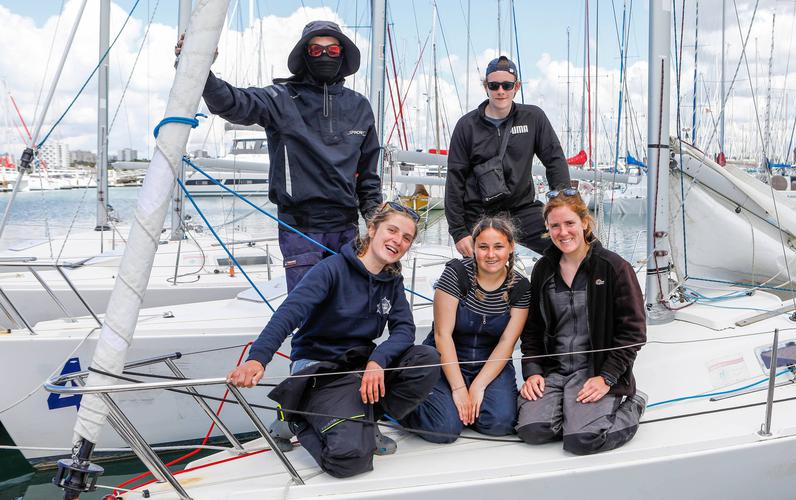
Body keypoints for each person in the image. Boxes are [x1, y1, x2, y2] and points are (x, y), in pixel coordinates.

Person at [227, 202, 440, 478]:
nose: (398, 240)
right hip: (320, 369)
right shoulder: (331, 270)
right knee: (348, 460)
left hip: (359, 366)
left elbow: (404, 330)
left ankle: (368, 421)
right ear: (372, 229)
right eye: (392, 230)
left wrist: (378, 360)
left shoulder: (391, 280)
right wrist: (257, 358)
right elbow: (289, 313)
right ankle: (296, 419)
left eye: (406, 237)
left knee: (426, 360)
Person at [176, 21, 382, 292]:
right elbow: (231, 102)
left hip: (346, 230)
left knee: (346, 306)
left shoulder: (360, 106)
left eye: (332, 50)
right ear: (305, 55)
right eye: (316, 50)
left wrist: (376, 221)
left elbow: (368, 175)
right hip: (300, 230)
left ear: (342, 55)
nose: (324, 55)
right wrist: (200, 65)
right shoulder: (280, 99)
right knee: (306, 307)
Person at [516, 190, 647, 455]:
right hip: (555, 370)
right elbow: (532, 329)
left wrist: (607, 377)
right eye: (555, 226)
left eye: (569, 223)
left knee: (582, 440)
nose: (563, 232)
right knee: (532, 430)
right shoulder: (543, 269)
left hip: (594, 370)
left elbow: (633, 332)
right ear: (547, 229)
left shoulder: (614, 267)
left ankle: (634, 403)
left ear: (584, 222)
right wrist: (533, 371)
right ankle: (570, 408)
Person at [403, 215, 530, 442]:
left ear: (511, 247)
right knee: (444, 429)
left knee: (499, 423)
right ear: (474, 247)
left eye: (498, 247)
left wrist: (478, 386)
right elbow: (442, 335)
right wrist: (459, 389)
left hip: (489, 361)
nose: (490, 254)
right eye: (483, 247)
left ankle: (464, 407)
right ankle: (402, 404)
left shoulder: (520, 287)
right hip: (447, 357)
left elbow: (507, 343)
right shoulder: (457, 273)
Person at [445, 55, 571, 257]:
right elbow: (454, 179)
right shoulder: (466, 126)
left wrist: (563, 204)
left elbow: (554, 160)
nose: (501, 91)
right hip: (479, 213)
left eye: (507, 85)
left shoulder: (533, 118)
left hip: (521, 209)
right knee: (486, 266)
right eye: (494, 86)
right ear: (486, 87)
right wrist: (458, 231)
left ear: (517, 87)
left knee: (575, 245)